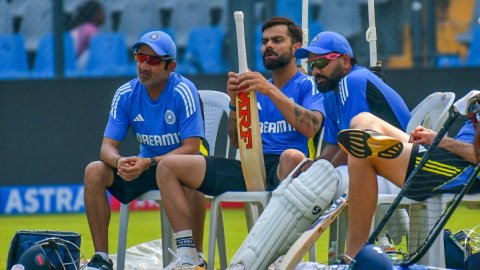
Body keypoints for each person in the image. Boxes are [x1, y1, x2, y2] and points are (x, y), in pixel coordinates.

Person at [155, 16, 325, 269]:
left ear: (296, 47)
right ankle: (190, 257)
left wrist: (270, 91)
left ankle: (283, 257)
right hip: (249, 165)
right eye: (265, 41)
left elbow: (311, 126)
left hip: (286, 171)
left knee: (292, 156)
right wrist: (235, 102)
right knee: (168, 166)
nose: (269, 46)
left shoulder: (307, 85)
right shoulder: (256, 87)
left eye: (277, 40)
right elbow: (236, 141)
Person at [83, 30, 206, 270]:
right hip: (146, 168)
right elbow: (107, 147)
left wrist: (148, 162)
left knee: (191, 183)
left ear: (171, 67)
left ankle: (195, 259)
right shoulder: (126, 93)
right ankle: (101, 259)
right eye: (140, 58)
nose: (144, 66)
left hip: (181, 170)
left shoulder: (183, 90)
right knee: (94, 171)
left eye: (153, 61)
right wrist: (119, 162)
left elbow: (191, 148)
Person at [278, 31, 410, 196]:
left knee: (323, 185)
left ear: (345, 61)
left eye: (321, 61)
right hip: (381, 168)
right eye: (311, 64)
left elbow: (353, 143)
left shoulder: (353, 81)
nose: (315, 71)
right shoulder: (329, 95)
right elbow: (334, 146)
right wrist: (317, 166)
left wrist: (320, 175)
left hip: (402, 171)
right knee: (310, 176)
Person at [336, 112, 478, 262]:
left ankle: (352, 258)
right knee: (363, 119)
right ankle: (381, 144)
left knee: (361, 153)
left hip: (463, 172)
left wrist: (440, 140)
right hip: (448, 155)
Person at [70, 0, 106, 66]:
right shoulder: (90, 28)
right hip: (75, 62)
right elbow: (99, 47)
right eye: (101, 12)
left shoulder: (83, 27)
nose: (104, 14)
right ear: (94, 14)